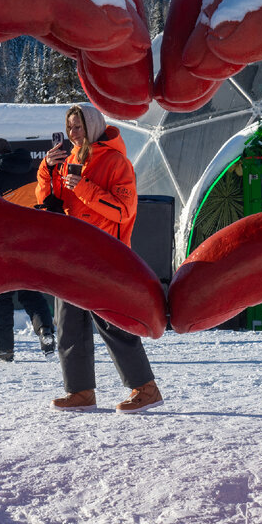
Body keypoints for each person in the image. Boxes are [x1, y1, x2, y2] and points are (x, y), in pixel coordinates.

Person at [36, 104, 162, 413]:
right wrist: (47, 171)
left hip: (105, 255)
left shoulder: (116, 161)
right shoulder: (69, 162)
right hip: (72, 254)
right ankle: (80, 391)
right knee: (68, 325)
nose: (72, 133)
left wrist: (85, 188)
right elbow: (51, 205)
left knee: (112, 323)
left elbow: (124, 210)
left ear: (92, 127)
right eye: (69, 127)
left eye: (77, 126)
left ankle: (146, 388)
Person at [0, 138, 56, 362]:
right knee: (30, 292)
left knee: (0, 296)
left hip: (3, 245)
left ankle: (3, 347)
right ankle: (46, 334)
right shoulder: (34, 173)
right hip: (32, 244)